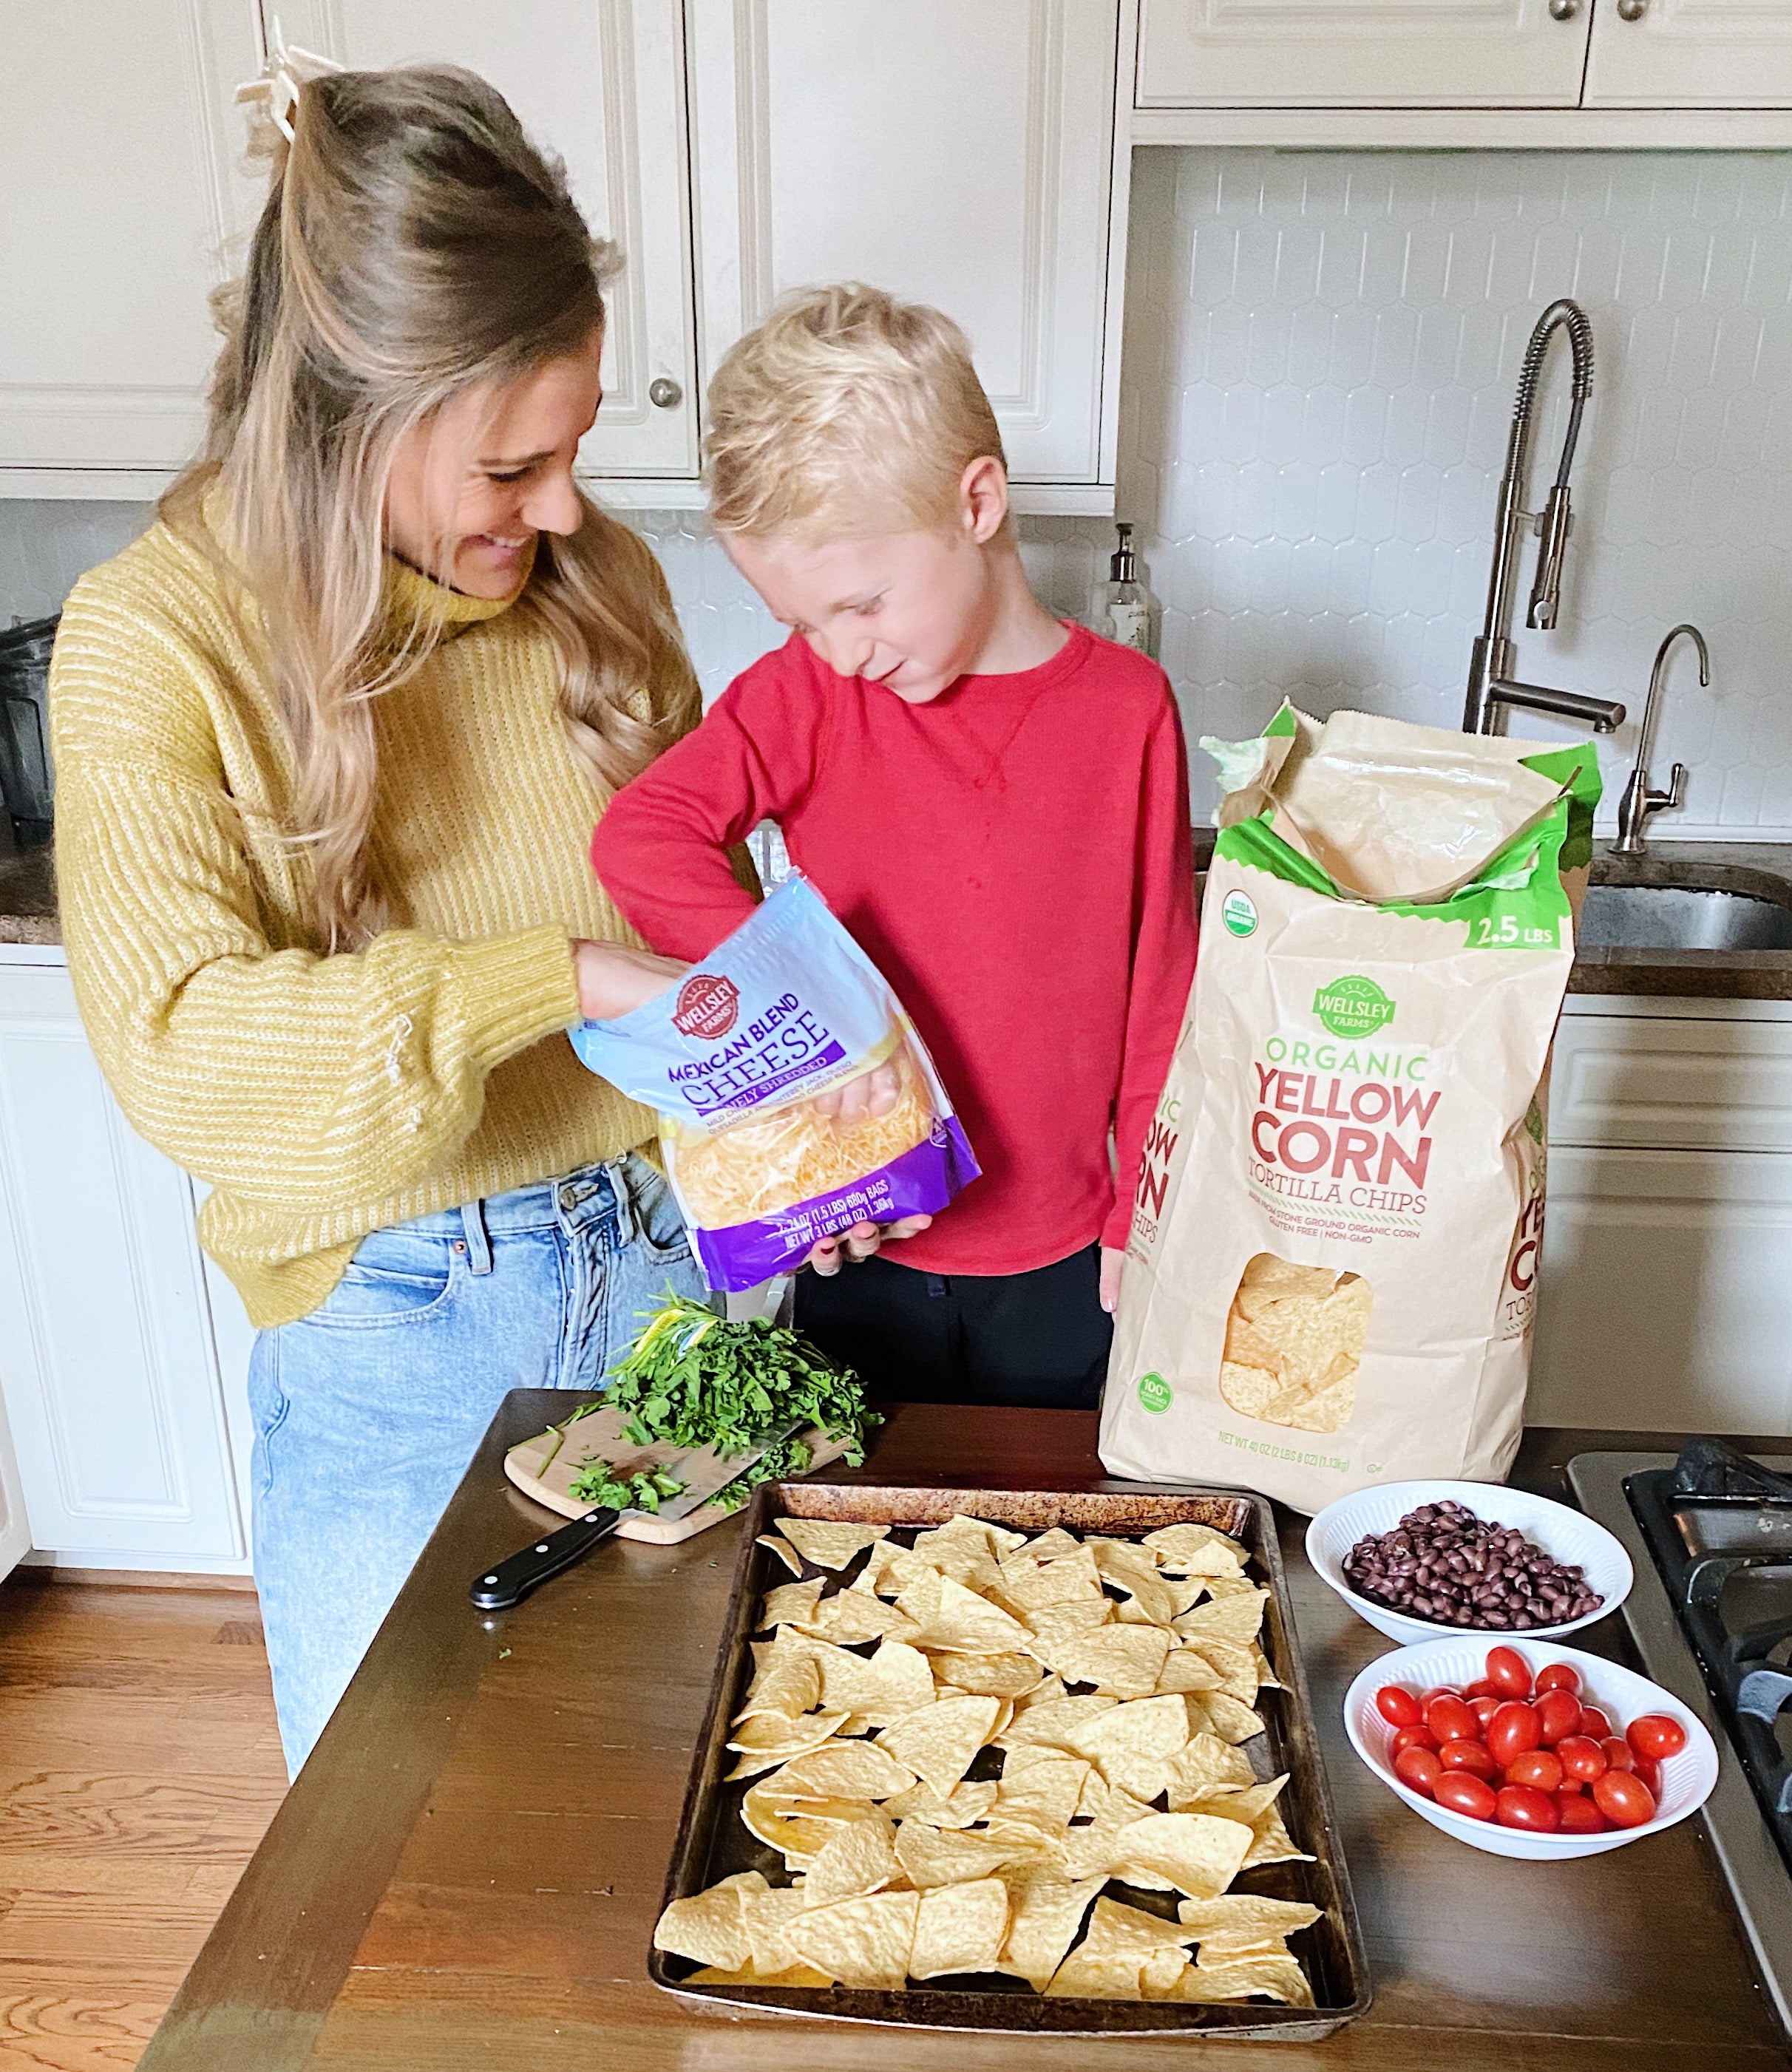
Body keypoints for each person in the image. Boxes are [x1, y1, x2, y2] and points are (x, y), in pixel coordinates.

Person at [48, 64, 711, 1776]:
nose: (565, 507)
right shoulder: (155, 639)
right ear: (352, 412)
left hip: (664, 1276)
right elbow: (185, 1050)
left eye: (574, 452)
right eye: (513, 463)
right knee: (398, 1896)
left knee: (651, 1830)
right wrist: (549, 978)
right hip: (402, 1335)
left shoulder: (593, 591)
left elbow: (717, 913)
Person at [592, 285, 1199, 1410]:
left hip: (1072, 1262)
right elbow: (645, 835)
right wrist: (807, 1017)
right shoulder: (808, 696)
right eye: (801, 621)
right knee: (852, 1569)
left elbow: (1162, 988)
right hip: (861, 1247)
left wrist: (1143, 1218)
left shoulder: (1129, 710)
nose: (839, 651)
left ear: (977, 502)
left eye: (861, 603)